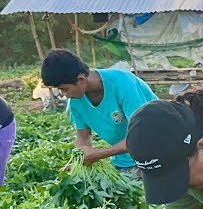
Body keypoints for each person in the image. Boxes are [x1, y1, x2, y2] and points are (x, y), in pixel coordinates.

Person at [40, 49, 158, 178]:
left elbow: (143, 135)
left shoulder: (123, 84)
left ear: (81, 79)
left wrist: (99, 153)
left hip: (158, 155)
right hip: (124, 162)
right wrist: (80, 161)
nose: (63, 94)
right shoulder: (76, 102)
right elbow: (83, 135)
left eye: (64, 89)